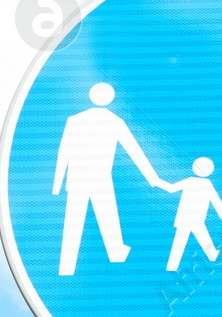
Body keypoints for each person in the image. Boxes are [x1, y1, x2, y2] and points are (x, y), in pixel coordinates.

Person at [52, 82, 170, 276]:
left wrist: (57, 185)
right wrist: (153, 179)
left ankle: (66, 267)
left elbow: (62, 153)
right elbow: (135, 153)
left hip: (77, 180)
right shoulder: (114, 121)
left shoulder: (75, 120)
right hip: (100, 180)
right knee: (108, 220)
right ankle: (117, 257)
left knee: (75, 224)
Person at [166, 157, 222, 272]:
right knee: (198, 237)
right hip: (196, 218)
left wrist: (158, 182)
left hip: (185, 218)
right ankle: (213, 255)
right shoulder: (206, 183)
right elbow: (215, 200)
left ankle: (172, 266)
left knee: (181, 240)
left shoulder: (190, 180)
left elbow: (171, 188)